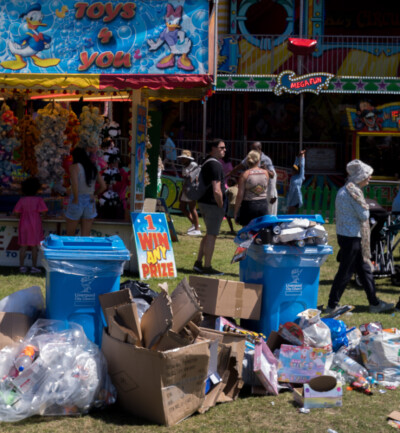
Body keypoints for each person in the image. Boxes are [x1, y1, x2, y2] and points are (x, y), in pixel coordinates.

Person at [325, 159, 394, 314]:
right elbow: (364, 215)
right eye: (368, 175)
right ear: (360, 176)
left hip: (347, 235)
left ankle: (374, 303)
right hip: (352, 237)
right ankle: (332, 305)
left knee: (364, 270)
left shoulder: (345, 189)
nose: (369, 178)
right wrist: (367, 209)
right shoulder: (354, 192)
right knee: (345, 272)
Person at [193, 139, 227, 275]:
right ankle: (207, 267)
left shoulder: (206, 161)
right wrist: (221, 205)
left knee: (208, 234)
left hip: (203, 202)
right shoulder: (215, 165)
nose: (224, 150)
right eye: (222, 147)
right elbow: (217, 189)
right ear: (213, 148)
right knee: (212, 235)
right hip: (213, 204)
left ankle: (199, 263)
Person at [65, 146, 107, 236]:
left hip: (77, 198)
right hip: (90, 200)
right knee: (86, 235)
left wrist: (75, 198)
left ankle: (71, 250)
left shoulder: (74, 167)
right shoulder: (93, 167)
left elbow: (75, 185)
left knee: (70, 234)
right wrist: (94, 194)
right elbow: (103, 186)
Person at [13, 177, 48, 274]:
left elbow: (16, 212)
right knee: (34, 247)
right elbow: (44, 211)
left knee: (23, 247)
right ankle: (34, 267)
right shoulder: (39, 200)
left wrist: (19, 216)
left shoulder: (22, 200)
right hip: (35, 225)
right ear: (37, 188)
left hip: (23, 224)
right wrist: (44, 217)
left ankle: (21, 266)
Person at [234, 150, 270, 226]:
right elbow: (265, 187)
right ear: (258, 160)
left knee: (247, 232)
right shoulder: (265, 173)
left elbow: (240, 195)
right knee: (261, 231)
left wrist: (236, 211)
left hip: (249, 206)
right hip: (263, 204)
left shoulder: (245, 174)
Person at [178, 149, 201, 236]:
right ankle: (194, 224)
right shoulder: (184, 166)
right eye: (182, 158)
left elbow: (194, 178)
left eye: (184, 158)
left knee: (192, 208)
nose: (182, 160)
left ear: (188, 159)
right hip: (186, 188)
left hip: (192, 189)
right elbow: (185, 179)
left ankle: (197, 229)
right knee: (182, 206)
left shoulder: (193, 165)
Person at [286, 149, 306, 214]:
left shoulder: (300, 177)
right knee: (290, 212)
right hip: (291, 196)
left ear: (296, 171)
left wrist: (302, 156)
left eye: (293, 171)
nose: (291, 172)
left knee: (290, 212)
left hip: (296, 197)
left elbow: (302, 166)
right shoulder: (293, 177)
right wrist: (297, 157)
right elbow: (295, 165)